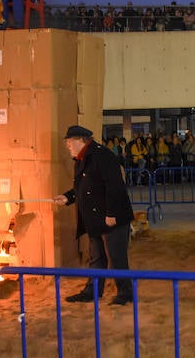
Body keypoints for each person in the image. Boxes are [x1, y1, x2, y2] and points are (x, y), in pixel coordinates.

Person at [53, 125, 135, 305]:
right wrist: (68, 197)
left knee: (117, 256)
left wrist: (112, 213)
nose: (67, 146)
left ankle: (125, 292)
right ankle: (93, 290)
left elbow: (115, 186)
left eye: (69, 142)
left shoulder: (102, 156)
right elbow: (83, 187)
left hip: (112, 217)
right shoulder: (82, 159)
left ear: (80, 140)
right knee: (96, 256)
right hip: (95, 218)